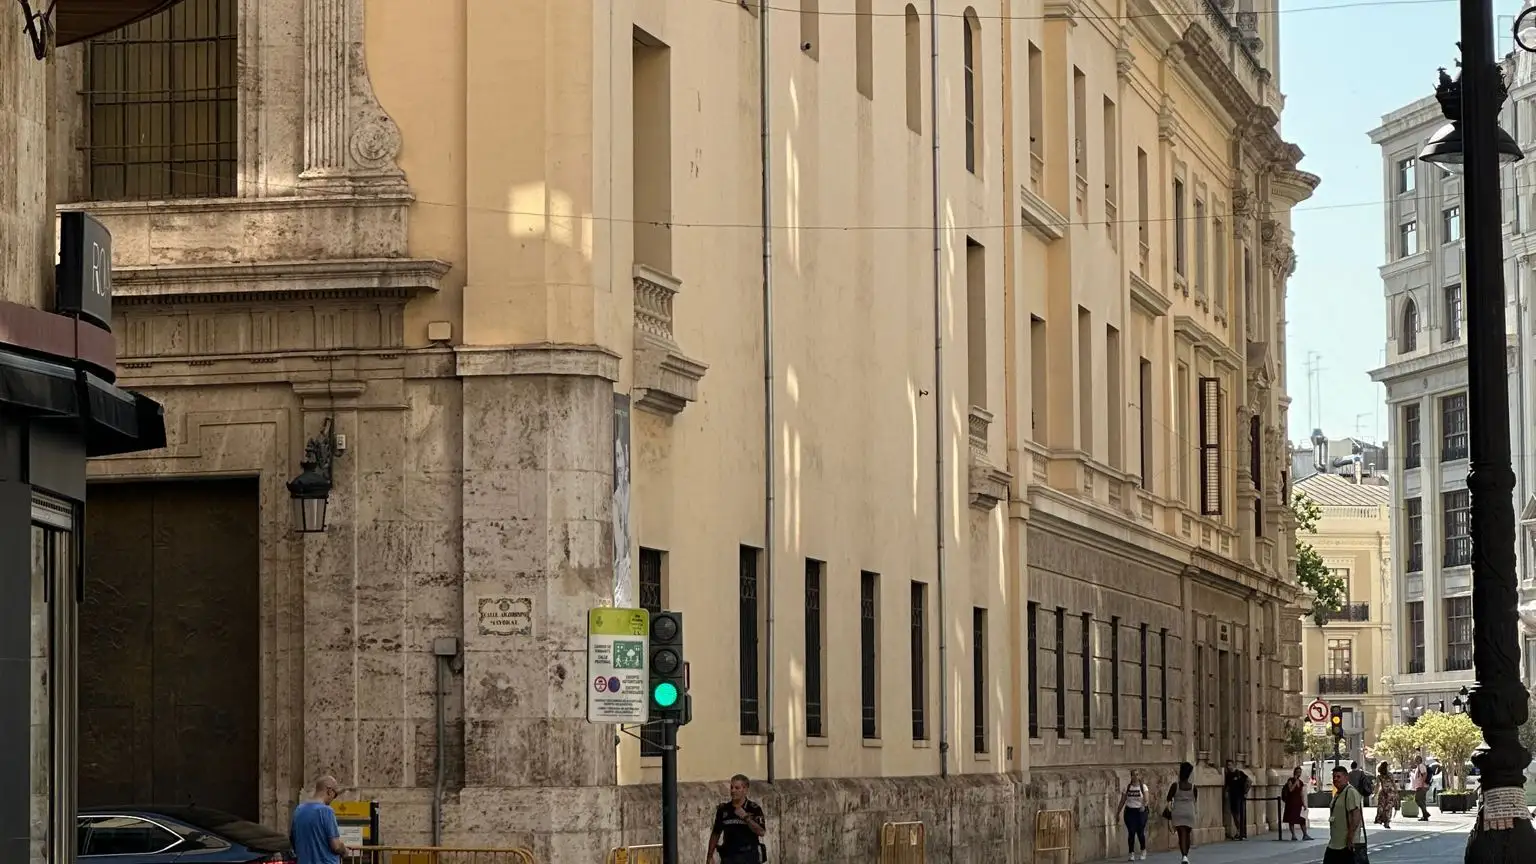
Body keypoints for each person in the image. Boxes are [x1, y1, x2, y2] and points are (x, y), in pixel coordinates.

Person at [707, 774, 767, 864]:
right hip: (729, 857)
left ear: (745, 790)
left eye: (737, 788)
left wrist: (746, 818)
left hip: (749, 857)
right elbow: (716, 833)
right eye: (731, 787)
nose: (733, 791)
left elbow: (761, 832)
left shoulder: (754, 809)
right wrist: (710, 856)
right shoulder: (724, 809)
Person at [290, 775, 347, 864]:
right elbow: (336, 846)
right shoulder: (326, 811)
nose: (333, 798)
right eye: (335, 795)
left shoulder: (299, 810)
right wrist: (344, 850)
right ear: (329, 791)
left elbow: (293, 840)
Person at [1325, 765, 1368, 864]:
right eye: (1334, 777)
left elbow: (1356, 816)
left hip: (1345, 845)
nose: (1336, 779)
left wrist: (1350, 837)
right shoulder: (1338, 793)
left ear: (1346, 778)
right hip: (1335, 843)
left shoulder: (1350, 792)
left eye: (1338, 777)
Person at [1164, 761, 1198, 864]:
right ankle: (1185, 856)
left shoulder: (1175, 786)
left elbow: (1169, 799)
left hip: (1178, 812)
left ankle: (1184, 856)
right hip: (1189, 812)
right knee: (1187, 833)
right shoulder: (1193, 787)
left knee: (1181, 834)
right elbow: (1194, 799)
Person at [1116, 769, 1153, 861]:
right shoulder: (1127, 787)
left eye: (1137, 775)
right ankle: (1131, 853)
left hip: (1140, 812)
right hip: (1130, 811)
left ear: (1139, 776)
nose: (1135, 777)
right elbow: (1122, 801)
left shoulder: (1143, 787)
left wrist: (1144, 805)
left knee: (1140, 832)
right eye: (1133, 775)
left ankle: (1143, 850)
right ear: (1131, 776)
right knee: (1131, 832)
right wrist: (1118, 812)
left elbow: (1146, 798)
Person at [1281, 766, 1311, 841]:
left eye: (1300, 772)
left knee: (1301, 819)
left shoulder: (1301, 782)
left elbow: (1301, 794)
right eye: (1297, 772)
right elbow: (1290, 789)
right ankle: (1293, 835)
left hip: (1298, 802)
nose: (1299, 773)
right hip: (1291, 802)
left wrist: (1304, 804)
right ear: (1295, 772)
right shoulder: (1290, 780)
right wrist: (1295, 782)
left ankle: (1305, 834)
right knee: (1291, 819)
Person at [1223, 760, 1250, 840]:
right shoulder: (1228, 775)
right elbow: (1228, 785)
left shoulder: (1239, 773)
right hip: (1232, 796)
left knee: (1238, 814)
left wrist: (1246, 792)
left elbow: (1249, 781)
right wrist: (1226, 792)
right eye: (1228, 765)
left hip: (1240, 796)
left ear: (1234, 765)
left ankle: (1241, 831)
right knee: (1234, 814)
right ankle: (1239, 830)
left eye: (1230, 765)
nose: (1229, 767)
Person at [1373, 761, 1398, 829]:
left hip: (1383, 793)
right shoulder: (1390, 775)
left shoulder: (1379, 776)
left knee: (1381, 807)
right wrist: (1396, 792)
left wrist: (1374, 794)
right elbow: (1394, 784)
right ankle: (1387, 822)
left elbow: (1377, 786)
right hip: (1390, 793)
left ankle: (1380, 819)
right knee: (1388, 808)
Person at [1411, 755, 1432, 821]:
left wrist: (1422, 784)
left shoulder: (1421, 766)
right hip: (1419, 786)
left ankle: (1425, 813)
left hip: (1422, 786)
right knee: (1422, 801)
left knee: (1417, 799)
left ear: (1419, 760)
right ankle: (1425, 816)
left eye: (1416, 759)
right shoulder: (1418, 767)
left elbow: (1425, 774)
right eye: (1415, 759)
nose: (1415, 760)